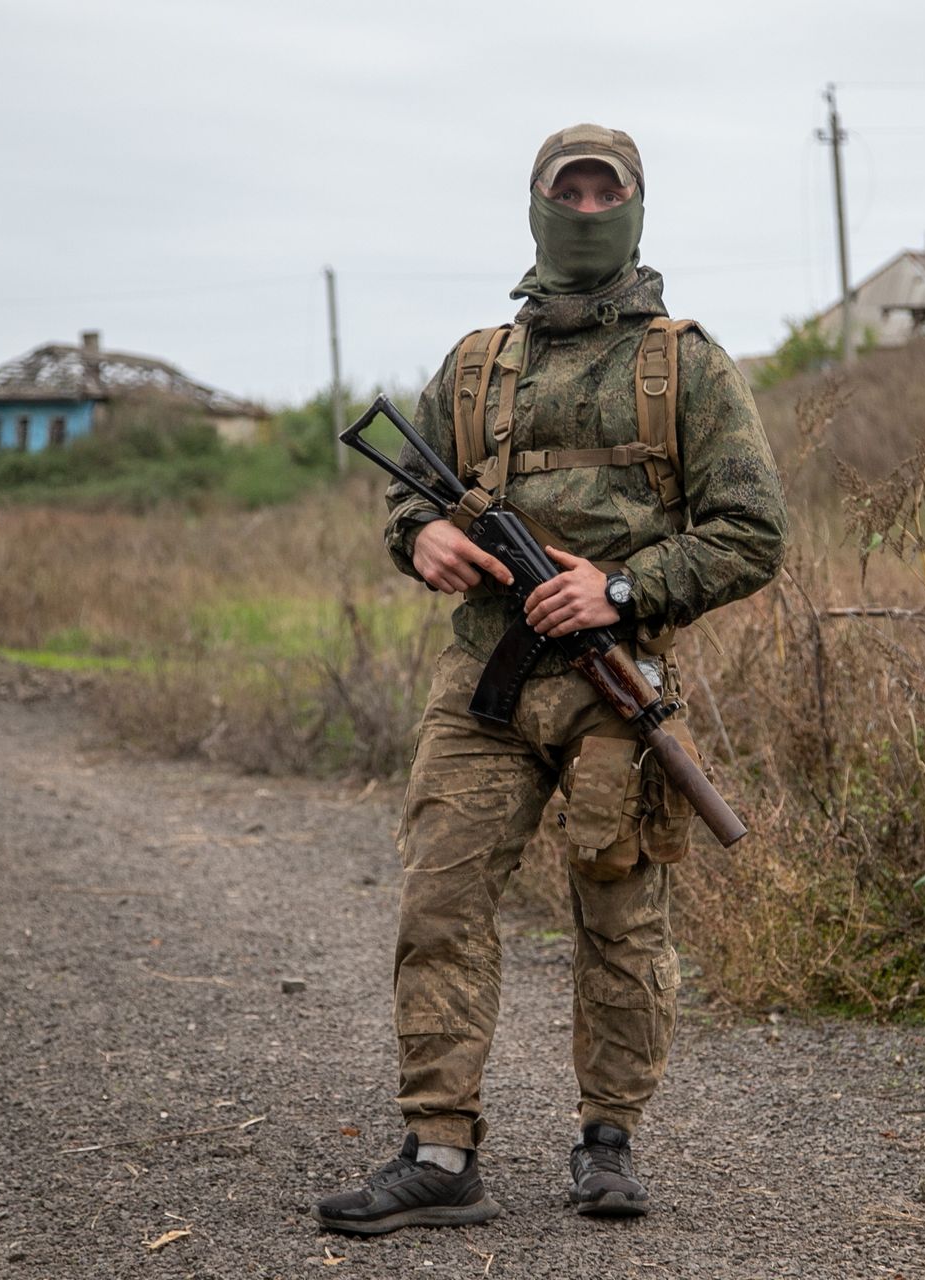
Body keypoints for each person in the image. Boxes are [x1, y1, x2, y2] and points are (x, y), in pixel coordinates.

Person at [314, 123, 786, 1235]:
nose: (583, 208)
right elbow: (410, 491)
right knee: (440, 900)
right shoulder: (477, 364)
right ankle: (439, 1152)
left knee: (620, 913)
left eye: (602, 190)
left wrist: (619, 591)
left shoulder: (686, 364)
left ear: (632, 206)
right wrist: (417, 539)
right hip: (484, 674)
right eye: (564, 191)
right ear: (535, 206)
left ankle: (608, 1142)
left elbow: (753, 533)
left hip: (614, 676)